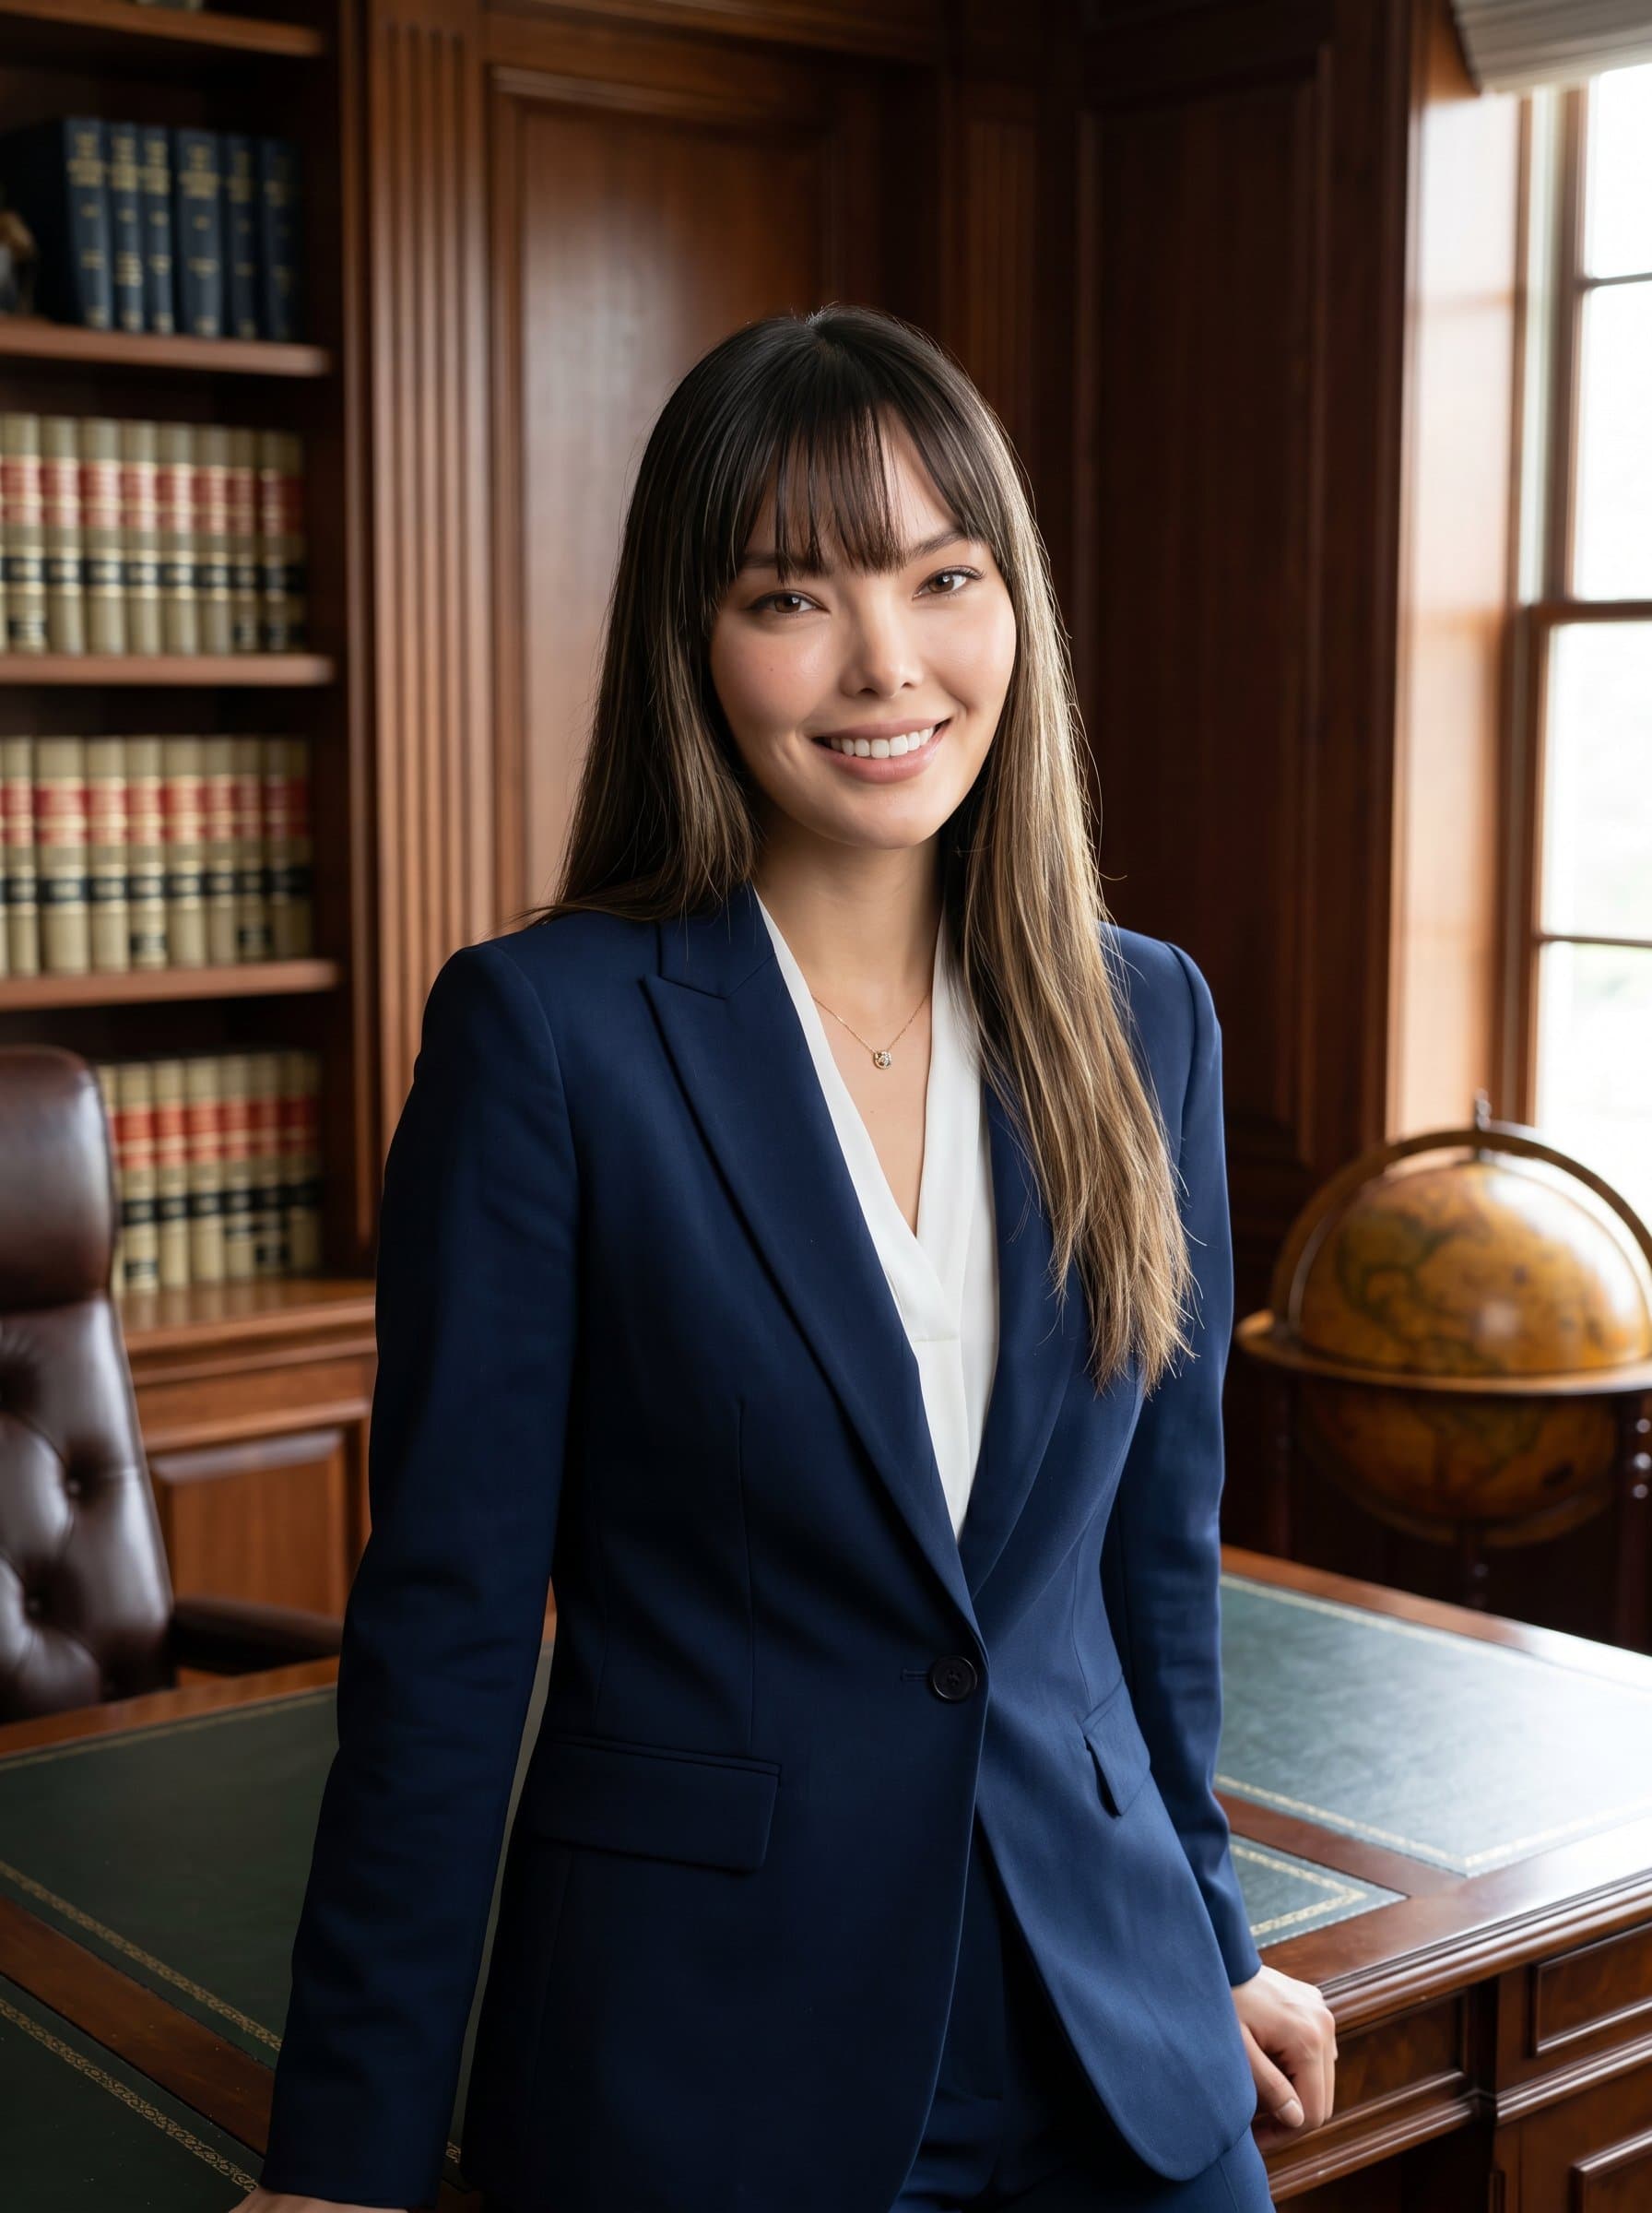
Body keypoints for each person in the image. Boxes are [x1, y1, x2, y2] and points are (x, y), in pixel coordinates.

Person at [238, 303, 1336, 2213]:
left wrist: (1210, 1931)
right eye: (789, 597)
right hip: (707, 2058)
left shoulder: (1141, 1018)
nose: (885, 663)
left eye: (942, 577)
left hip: (1107, 2019)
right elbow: (448, 1637)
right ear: (694, 639)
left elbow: (1144, 1570)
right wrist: (346, 2156)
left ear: (1014, 610)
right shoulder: (544, 1036)